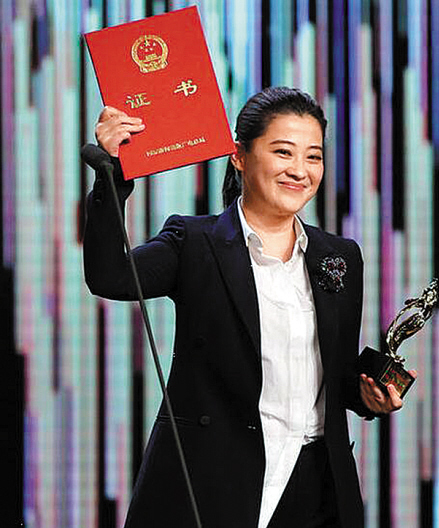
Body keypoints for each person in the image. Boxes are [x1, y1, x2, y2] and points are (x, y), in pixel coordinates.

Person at [84, 87, 413, 528]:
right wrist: (112, 175)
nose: (299, 170)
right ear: (239, 156)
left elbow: (331, 376)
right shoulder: (194, 242)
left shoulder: (340, 256)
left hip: (316, 488)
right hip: (216, 483)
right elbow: (110, 276)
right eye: (283, 152)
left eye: (313, 157)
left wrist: (365, 394)